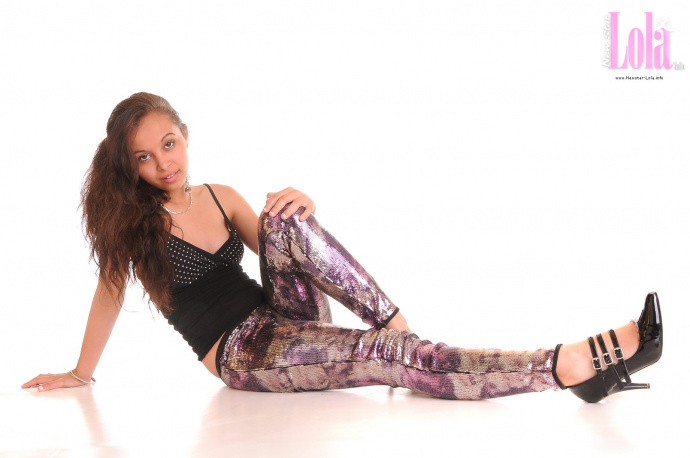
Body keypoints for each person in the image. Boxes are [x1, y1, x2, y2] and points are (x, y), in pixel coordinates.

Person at [22, 93, 662, 402]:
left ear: (185, 136)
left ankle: (396, 326)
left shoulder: (220, 195)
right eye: (144, 157)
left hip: (284, 318)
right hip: (243, 354)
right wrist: (80, 371)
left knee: (281, 216)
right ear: (129, 167)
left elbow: (293, 253)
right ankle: (566, 366)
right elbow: (108, 298)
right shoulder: (136, 230)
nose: (164, 163)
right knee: (388, 356)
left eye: (169, 144)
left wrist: (301, 202)